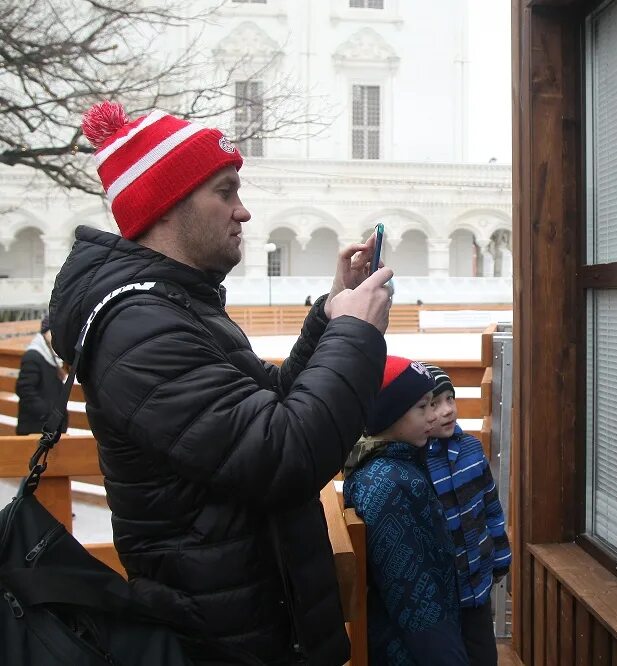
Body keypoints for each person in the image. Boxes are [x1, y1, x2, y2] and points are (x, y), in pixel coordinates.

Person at [47, 101, 393, 664]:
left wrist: (330, 316)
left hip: (255, 620)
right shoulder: (140, 330)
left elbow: (272, 410)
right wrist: (354, 334)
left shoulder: (176, 307)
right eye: (226, 192)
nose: (244, 212)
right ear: (168, 203)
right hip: (222, 639)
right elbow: (284, 454)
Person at [343, 356, 469, 665]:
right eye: (422, 407)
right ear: (390, 415)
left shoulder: (397, 464)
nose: (432, 416)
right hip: (409, 650)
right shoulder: (390, 485)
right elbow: (414, 595)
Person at [422, 364, 511, 665]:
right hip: (441, 597)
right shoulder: (416, 463)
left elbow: (491, 506)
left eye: (450, 399)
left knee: (484, 656)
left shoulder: (472, 450)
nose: (447, 410)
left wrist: (500, 557)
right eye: (434, 403)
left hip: (477, 584)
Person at [14, 313, 66, 435]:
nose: (55, 335)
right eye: (52, 331)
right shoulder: (33, 356)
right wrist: (47, 413)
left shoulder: (50, 355)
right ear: (44, 332)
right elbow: (24, 389)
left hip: (47, 428)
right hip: (35, 427)